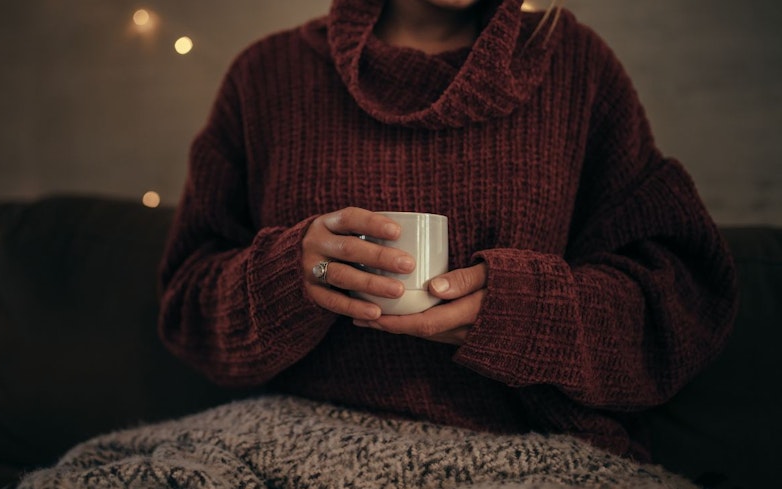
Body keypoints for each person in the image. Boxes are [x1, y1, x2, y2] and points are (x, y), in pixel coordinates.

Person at [157, 0, 738, 465]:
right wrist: (290, 277)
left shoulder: (574, 67)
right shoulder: (266, 77)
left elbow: (682, 304)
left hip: (527, 452)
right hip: (287, 438)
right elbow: (187, 306)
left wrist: (524, 314)